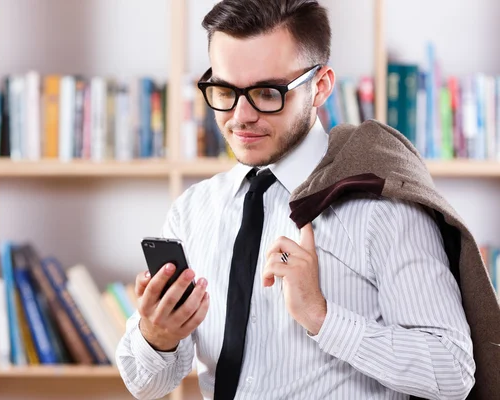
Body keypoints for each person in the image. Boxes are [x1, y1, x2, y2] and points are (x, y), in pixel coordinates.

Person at [115, 1, 477, 399]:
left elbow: (453, 372)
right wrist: (157, 336)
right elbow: (147, 386)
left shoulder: (381, 204)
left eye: (266, 93)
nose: (240, 116)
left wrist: (321, 317)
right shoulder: (193, 210)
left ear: (320, 86)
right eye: (223, 90)